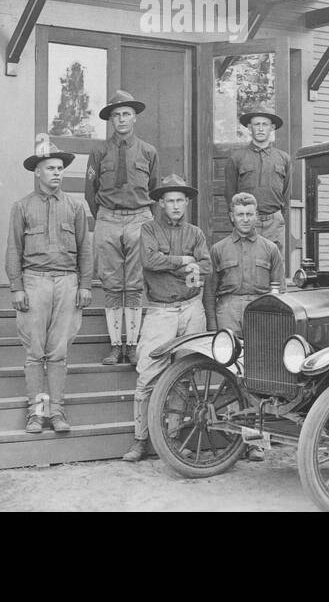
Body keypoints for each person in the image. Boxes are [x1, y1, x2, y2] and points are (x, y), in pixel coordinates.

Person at [7, 136, 93, 434]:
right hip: (34, 283)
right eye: (50, 168)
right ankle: (36, 414)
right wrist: (17, 287)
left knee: (58, 353)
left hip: (67, 284)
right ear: (37, 172)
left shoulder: (75, 207)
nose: (57, 172)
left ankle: (56, 412)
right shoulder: (22, 207)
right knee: (35, 353)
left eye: (60, 168)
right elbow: (13, 250)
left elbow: (85, 249)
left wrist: (85, 285)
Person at [123, 174, 211, 463]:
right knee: (148, 375)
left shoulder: (195, 234)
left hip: (191, 309)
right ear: (160, 203)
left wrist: (169, 263)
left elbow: (205, 267)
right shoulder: (148, 229)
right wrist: (183, 261)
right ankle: (139, 440)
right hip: (161, 311)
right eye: (169, 200)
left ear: (186, 202)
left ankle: (173, 439)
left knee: (184, 377)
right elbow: (149, 261)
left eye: (180, 200)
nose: (175, 206)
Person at [85, 90, 159, 365]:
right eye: (116, 115)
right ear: (111, 120)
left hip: (139, 217)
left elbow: (153, 187)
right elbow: (89, 190)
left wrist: (141, 215)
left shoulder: (148, 151)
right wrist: (106, 216)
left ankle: (134, 344)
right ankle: (117, 346)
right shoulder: (98, 151)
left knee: (136, 283)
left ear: (135, 117)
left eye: (126, 114)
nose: (121, 119)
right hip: (108, 218)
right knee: (113, 284)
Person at [206, 192, 285, 334]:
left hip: (261, 310)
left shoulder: (270, 249)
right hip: (227, 312)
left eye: (249, 214)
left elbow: (281, 291)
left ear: (256, 216)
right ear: (232, 217)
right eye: (240, 214)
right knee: (226, 354)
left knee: (261, 353)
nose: (245, 219)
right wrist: (212, 327)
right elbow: (209, 293)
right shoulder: (218, 249)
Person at [224, 106, 291, 252]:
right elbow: (230, 194)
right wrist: (239, 220)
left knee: (275, 267)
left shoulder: (283, 158)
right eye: (256, 124)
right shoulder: (237, 158)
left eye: (265, 124)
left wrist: (280, 218)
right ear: (249, 127)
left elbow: (286, 194)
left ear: (272, 127)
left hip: (274, 222)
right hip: (247, 220)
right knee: (247, 265)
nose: (260, 129)